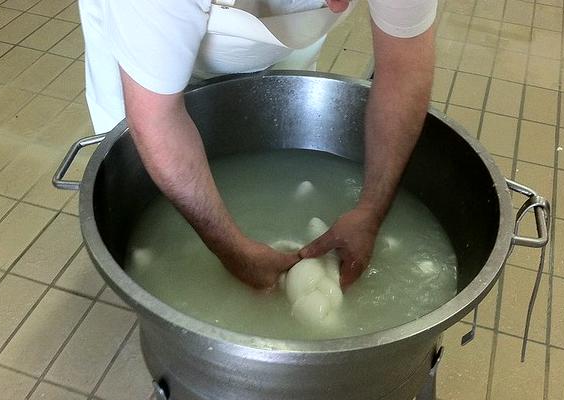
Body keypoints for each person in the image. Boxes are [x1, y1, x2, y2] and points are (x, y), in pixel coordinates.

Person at [78, 0, 437, 291]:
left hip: (275, 43)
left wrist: (371, 211)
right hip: (145, 60)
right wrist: (232, 251)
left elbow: (403, 70)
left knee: (280, 163)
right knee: (143, 174)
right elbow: (156, 118)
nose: (341, 4)